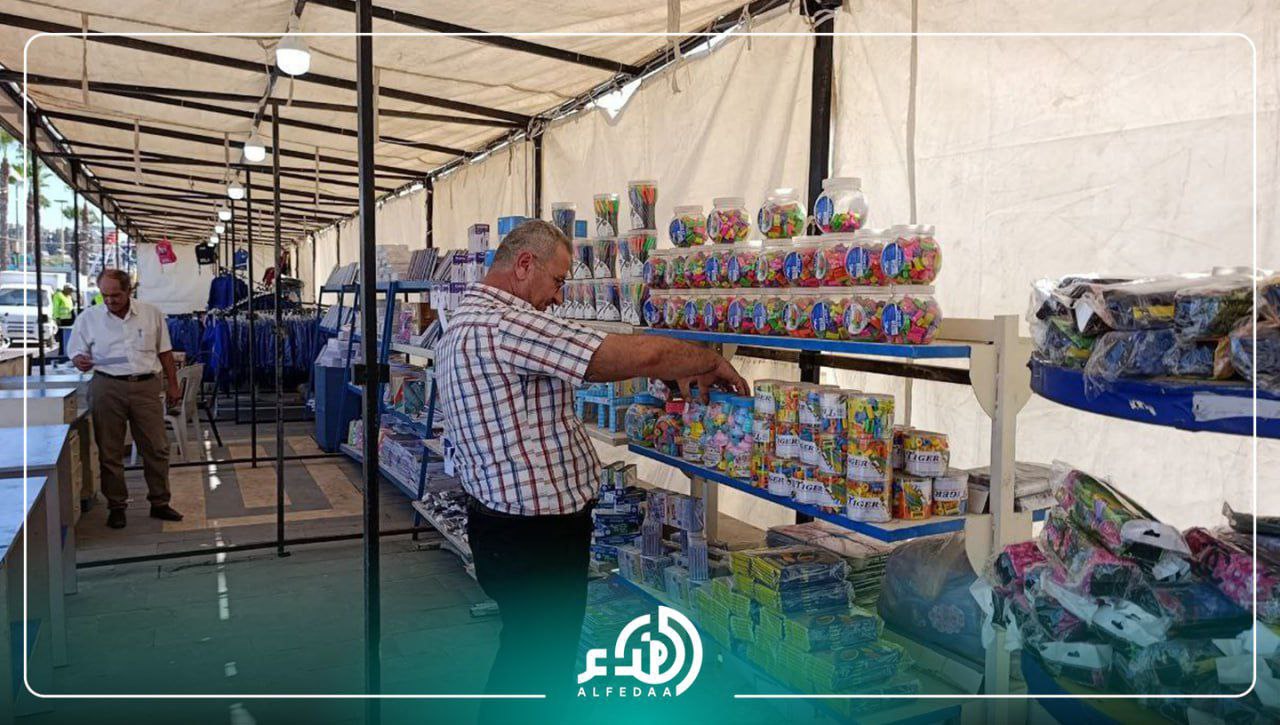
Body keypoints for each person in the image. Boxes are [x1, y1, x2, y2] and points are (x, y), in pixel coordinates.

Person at [436, 220, 748, 707]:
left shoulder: (468, 320)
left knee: (530, 654)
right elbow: (624, 355)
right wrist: (706, 360)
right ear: (524, 265)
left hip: (505, 527)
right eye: (557, 281)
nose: (558, 297)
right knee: (536, 664)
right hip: (533, 536)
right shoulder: (505, 325)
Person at [68, 269, 184, 529]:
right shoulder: (89, 318)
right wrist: (79, 360)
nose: (110, 300)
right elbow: (75, 351)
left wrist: (173, 386)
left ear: (129, 291)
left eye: (116, 295)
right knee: (110, 449)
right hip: (107, 386)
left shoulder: (151, 314)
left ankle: (160, 502)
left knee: (156, 447)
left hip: (146, 386)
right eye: (105, 295)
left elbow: (165, 352)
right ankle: (117, 506)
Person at [51, 284, 75, 355]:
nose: (71, 291)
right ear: (65, 289)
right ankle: (61, 352)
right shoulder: (59, 296)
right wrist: (57, 318)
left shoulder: (69, 296)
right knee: (62, 337)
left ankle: (66, 350)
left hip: (69, 319)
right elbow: (55, 308)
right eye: (70, 290)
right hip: (62, 320)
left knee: (68, 336)